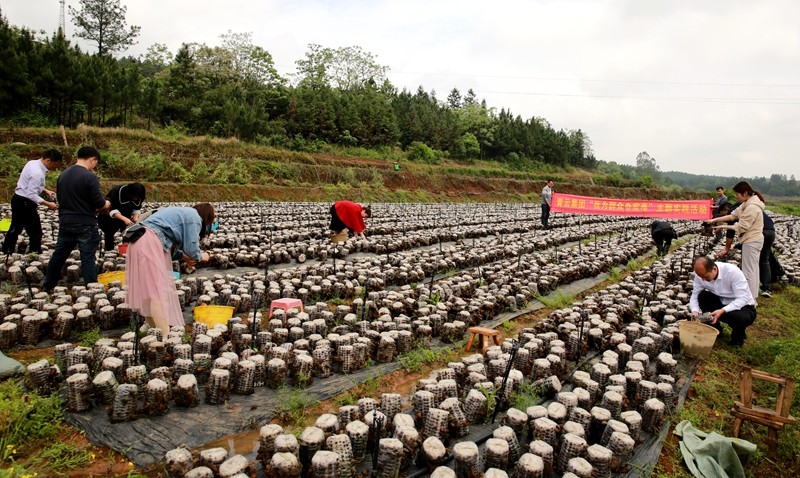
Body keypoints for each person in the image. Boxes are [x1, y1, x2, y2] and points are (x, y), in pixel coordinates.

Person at [126, 203, 215, 336]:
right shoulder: (194, 217)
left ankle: (152, 330)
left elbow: (171, 246)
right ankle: (165, 336)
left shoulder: (181, 212)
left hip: (139, 241)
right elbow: (192, 249)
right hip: (149, 243)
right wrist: (203, 256)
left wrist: (183, 256)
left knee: (147, 290)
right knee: (155, 292)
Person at [43, 147, 110, 291]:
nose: (94, 166)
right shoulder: (89, 176)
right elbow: (99, 203)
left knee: (59, 256)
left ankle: (48, 286)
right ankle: (91, 290)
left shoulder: (63, 175)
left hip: (66, 221)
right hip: (85, 223)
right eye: (95, 163)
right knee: (88, 258)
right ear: (92, 159)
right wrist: (107, 203)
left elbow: (62, 198)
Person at [707, 181, 764, 300]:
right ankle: (752, 296)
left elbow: (741, 227)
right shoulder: (746, 203)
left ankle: (750, 300)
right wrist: (714, 221)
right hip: (750, 240)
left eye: (737, 194)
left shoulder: (752, 207)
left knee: (749, 272)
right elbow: (732, 216)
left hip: (752, 241)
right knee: (752, 269)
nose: (736, 197)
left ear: (745, 193)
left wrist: (722, 226)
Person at [2, 149, 63, 256]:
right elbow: (31, 194)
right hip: (25, 202)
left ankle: (7, 249)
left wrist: (45, 190)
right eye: (55, 165)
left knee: (16, 227)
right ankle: (34, 253)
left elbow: (30, 184)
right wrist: (48, 204)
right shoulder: (37, 173)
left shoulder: (32, 163)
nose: (55, 168)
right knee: (35, 231)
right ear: (48, 160)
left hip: (18, 199)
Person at [690, 256, 757, 347]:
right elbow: (695, 295)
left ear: (714, 269)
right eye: (701, 277)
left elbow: (743, 299)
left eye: (706, 277)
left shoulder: (732, 272)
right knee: (703, 296)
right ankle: (715, 329)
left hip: (743, 307)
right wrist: (695, 310)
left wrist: (722, 311)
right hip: (721, 302)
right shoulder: (701, 275)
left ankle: (737, 337)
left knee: (740, 318)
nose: (703, 280)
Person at [97, 183, 146, 251]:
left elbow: (137, 208)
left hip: (126, 214)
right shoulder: (117, 192)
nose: (136, 199)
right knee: (109, 232)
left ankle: (127, 249)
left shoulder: (139, 196)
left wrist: (135, 218)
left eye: (137, 197)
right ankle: (109, 250)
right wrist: (124, 219)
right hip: (108, 216)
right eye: (134, 197)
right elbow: (111, 209)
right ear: (130, 193)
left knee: (129, 231)